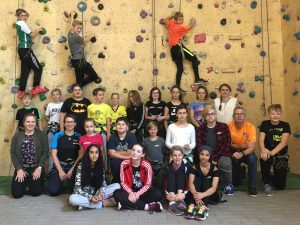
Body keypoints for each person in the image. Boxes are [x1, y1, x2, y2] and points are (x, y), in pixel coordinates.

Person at [163, 12, 207, 90]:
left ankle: (177, 87)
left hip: (173, 50)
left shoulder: (171, 23)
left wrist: (172, 16)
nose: (182, 21)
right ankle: (197, 79)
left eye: (182, 19)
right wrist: (193, 21)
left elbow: (165, 20)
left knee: (180, 69)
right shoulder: (180, 28)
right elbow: (190, 26)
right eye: (180, 20)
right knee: (194, 58)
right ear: (176, 20)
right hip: (178, 47)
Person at [68, 144, 120, 210]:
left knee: (117, 186)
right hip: (84, 195)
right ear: (88, 154)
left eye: (96, 152)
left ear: (99, 154)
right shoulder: (81, 165)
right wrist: (90, 197)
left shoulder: (100, 165)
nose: (94, 155)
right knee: (72, 199)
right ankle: (100, 204)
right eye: (91, 152)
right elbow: (77, 189)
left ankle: (85, 205)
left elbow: (103, 184)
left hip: (96, 193)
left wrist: (101, 193)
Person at [195, 105, 233, 195]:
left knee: (225, 163)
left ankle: (227, 185)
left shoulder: (224, 127)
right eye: (208, 114)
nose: (210, 116)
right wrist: (209, 158)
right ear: (204, 116)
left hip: (222, 154)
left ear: (216, 115)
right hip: (206, 155)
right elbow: (199, 146)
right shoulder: (200, 129)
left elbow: (227, 144)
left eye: (212, 114)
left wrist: (216, 158)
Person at [113, 144, 163, 212]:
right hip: (128, 192)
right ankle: (147, 207)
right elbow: (123, 182)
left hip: (142, 193)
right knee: (116, 193)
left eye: (138, 151)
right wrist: (131, 193)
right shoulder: (124, 164)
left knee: (158, 194)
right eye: (133, 150)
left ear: (142, 154)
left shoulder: (147, 165)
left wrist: (137, 194)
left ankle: (126, 204)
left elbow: (148, 184)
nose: (135, 153)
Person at [10, 113, 48, 198]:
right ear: (23, 123)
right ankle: (26, 182)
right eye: (28, 121)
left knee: (36, 192)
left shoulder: (42, 135)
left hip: (36, 167)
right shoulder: (17, 136)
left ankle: (31, 182)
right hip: (22, 168)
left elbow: (45, 152)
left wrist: (39, 168)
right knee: (16, 194)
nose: (30, 124)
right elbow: (13, 153)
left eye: (33, 122)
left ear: (35, 123)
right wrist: (18, 169)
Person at [259, 104, 291, 196]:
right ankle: (267, 183)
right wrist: (263, 150)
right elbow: (261, 140)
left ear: (281, 114)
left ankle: (272, 177)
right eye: (273, 113)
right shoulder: (264, 124)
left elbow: (283, 143)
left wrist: (271, 153)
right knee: (264, 158)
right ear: (269, 114)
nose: (275, 115)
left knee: (280, 185)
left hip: (280, 153)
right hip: (267, 151)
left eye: (278, 113)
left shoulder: (285, 125)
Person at [15, 8, 48, 98]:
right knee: (38, 68)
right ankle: (36, 87)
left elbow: (29, 37)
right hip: (25, 49)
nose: (24, 17)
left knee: (25, 72)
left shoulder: (18, 24)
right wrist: (39, 29)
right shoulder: (21, 23)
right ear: (18, 16)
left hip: (22, 50)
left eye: (26, 15)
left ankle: (21, 91)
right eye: (22, 15)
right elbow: (32, 35)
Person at [185, 145, 221, 221]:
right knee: (197, 179)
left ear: (210, 156)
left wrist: (202, 195)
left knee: (206, 180)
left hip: (210, 195)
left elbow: (214, 187)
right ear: (199, 155)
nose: (204, 157)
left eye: (207, 155)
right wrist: (196, 196)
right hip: (195, 194)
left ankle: (203, 207)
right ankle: (192, 205)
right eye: (202, 154)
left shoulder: (215, 169)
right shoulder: (194, 167)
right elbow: (190, 183)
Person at [48, 114, 81, 196]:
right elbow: (54, 154)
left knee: (75, 191)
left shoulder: (79, 136)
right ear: (64, 123)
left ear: (75, 124)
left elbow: (80, 156)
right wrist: (60, 171)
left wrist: (72, 170)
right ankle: (60, 183)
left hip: (73, 167)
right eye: (67, 122)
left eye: (71, 122)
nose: (69, 124)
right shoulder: (58, 135)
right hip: (60, 166)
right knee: (53, 191)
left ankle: (69, 183)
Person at [228, 107, 257, 196]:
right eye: (237, 114)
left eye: (241, 114)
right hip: (233, 151)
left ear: (244, 116)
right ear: (233, 116)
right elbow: (227, 144)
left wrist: (242, 153)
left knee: (253, 159)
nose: (239, 116)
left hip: (246, 152)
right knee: (236, 182)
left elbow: (251, 147)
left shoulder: (251, 127)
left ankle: (252, 186)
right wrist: (240, 146)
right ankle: (241, 171)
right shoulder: (228, 126)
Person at [68, 16, 102, 87]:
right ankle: (80, 85)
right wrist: (91, 36)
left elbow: (71, 25)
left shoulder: (70, 34)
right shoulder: (76, 37)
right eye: (77, 28)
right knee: (94, 76)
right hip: (79, 60)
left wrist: (72, 16)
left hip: (75, 61)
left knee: (79, 81)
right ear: (73, 27)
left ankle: (79, 85)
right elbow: (84, 40)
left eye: (80, 29)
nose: (79, 30)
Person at [162, 146, 190, 216]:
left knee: (180, 172)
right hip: (170, 194)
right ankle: (172, 203)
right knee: (171, 173)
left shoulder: (187, 168)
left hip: (181, 193)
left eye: (179, 155)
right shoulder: (166, 168)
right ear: (171, 156)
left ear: (183, 155)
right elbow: (161, 184)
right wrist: (167, 195)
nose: (177, 157)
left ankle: (180, 201)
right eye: (175, 155)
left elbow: (189, 184)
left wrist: (184, 194)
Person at [108, 117, 137, 183]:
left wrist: (115, 152)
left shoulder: (132, 136)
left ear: (127, 127)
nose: (120, 126)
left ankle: (129, 182)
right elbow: (111, 154)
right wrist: (126, 155)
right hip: (118, 159)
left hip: (130, 158)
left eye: (123, 124)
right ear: (116, 126)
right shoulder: (112, 137)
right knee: (115, 162)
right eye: (118, 124)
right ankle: (117, 182)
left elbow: (131, 152)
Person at [87, 87, 111, 160]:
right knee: (93, 149)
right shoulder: (90, 107)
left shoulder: (107, 107)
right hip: (93, 131)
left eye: (103, 95)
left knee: (103, 150)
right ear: (95, 96)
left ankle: (104, 168)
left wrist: (108, 133)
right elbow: (89, 121)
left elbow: (108, 120)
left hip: (102, 131)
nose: (102, 96)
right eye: (100, 95)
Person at [45, 88, 63, 172]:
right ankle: (51, 170)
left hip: (61, 128)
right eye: (54, 95)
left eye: (57, 94)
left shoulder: (63, 104)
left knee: (61, 149)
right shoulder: (50, 105)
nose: (56, 96)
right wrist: (50, 122)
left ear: (60, 95)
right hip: (52, 128)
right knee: (51, 149)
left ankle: (61, 169)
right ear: (52, 96)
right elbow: (47, 115)